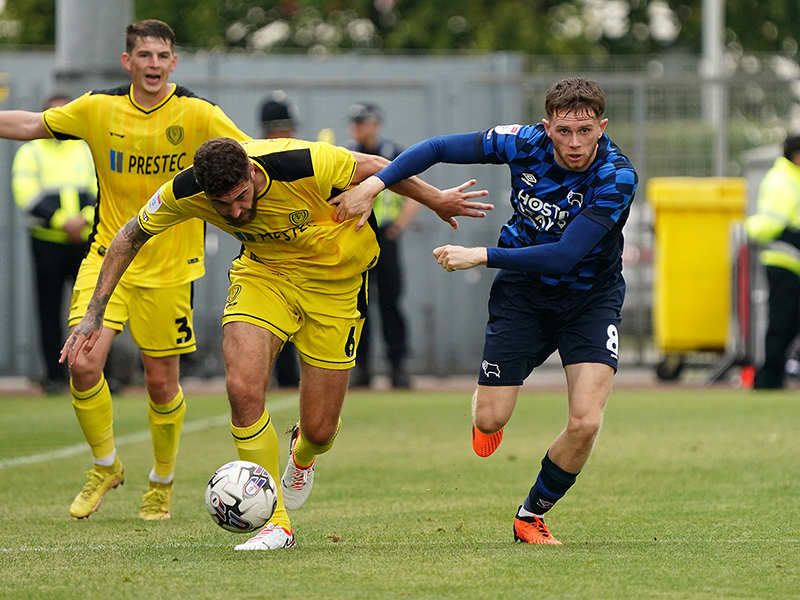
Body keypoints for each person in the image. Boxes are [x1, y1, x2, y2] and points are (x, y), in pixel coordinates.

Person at [61, 136, 492, 550]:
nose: (234, 211)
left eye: (241, 196)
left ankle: (303, 455)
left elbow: (378, 167)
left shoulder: (302, 163)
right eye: (222, 204)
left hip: (337, 286)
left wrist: (435, 199)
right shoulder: (187, 188)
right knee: (242, 389)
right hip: (264, 277)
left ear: (252, 171)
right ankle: (275, 523)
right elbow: (128, 235)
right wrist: (94, 313)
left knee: (322, 432)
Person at [333, 77, 638, 545]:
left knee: (586, 421)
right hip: (523, 296)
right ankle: (483, 407)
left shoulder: (616, 176)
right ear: (547, 126)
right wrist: (372, 186)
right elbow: (435, 147)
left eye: (584, 131)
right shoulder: (522, 142)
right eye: (563, 131)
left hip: (590, 300)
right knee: (491, 420)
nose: (574, 144)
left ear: (602, 126)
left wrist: (481, 254)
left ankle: (531, 514)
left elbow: (564, 255)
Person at [0, 19, 249, 521]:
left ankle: (161, 482)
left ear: (173, 62)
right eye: (145, 56)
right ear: (127, 61)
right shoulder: (98, 108)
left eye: (162, 56)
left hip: (172, 269)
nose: (153, 65)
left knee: (161, 383)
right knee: (83, 362)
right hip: (107, 260)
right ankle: (105, 465)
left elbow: (250, 154)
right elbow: (30, 124)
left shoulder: (198, 113)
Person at [11, 93, 97, 396]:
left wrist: (85, 220)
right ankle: (54, 377)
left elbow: (99, 191)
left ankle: (97, 373)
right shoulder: (31, 151)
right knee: (48, 310)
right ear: (44, 117)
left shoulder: (84, 150)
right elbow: (26, 195)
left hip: (83, 242)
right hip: (47, 242)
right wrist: (64, 222)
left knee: (94, 307)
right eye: (54, 115)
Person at [344, 103, 420, 388]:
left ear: (375, 123)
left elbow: (415, 191)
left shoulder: (394, 154)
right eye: (355, 123)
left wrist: (399, 225)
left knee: (391, 303)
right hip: (358, 236)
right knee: (358, 306)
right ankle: (360, 369)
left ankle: (397, 367)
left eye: (362, 122)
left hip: (385, 238)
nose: (357, 128)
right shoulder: (347, 154)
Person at [745, 134, 800, 389]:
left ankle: (772, 377)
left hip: (790, 262)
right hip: (786, 261)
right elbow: (768, 226)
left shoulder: (790, 178)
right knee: (782, 324)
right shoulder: (784, 181)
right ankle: (768, 380)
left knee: (785, 324)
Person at [256, 92, 301, 388]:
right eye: (283, 126)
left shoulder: (302, 156)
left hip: (300, 249)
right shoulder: (256, 162)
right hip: (269, 252)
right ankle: (282, 375)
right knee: (271, 317)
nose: (289, 132)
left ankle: (290, 376)